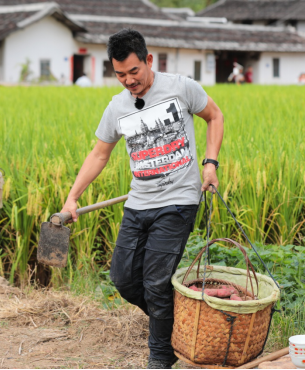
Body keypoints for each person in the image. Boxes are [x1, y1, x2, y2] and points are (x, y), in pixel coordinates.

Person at [60, 29, 224, 369]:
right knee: (123, 279)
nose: (128, 81)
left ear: (149, 60)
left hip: (178, 201)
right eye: (120, 74)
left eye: (134, 71)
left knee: (156, 282)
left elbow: (215, 116)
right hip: (138, 203)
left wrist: (210, 163)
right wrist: (72, 198)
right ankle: (181, 322)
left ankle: (160, 358)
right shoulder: (118, 106)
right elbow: (99, 155)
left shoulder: (181, 87)